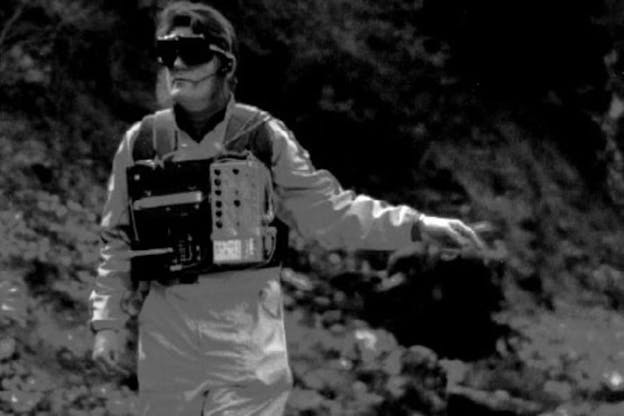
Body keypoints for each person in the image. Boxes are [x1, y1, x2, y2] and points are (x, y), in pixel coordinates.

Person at [89, 2, 485, 415]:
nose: (178, 66)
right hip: (167, 341)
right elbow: (117, 241)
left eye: (192, 53)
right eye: (169, 54)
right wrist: (108, 325)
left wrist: (417, 227)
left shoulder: (263, 138)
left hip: (245, 340)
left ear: (224, 64)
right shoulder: (142, 143)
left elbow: (329, 213)